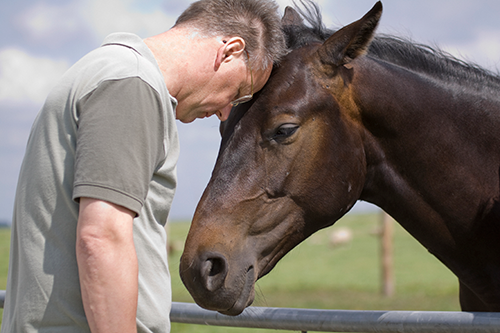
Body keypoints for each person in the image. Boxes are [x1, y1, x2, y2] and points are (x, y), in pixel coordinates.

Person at [1, 0, 287, 332]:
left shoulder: (105, 70)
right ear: (230, 51)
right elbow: (102, 236)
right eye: (239, 92)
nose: (226, 113)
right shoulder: (132, 84)